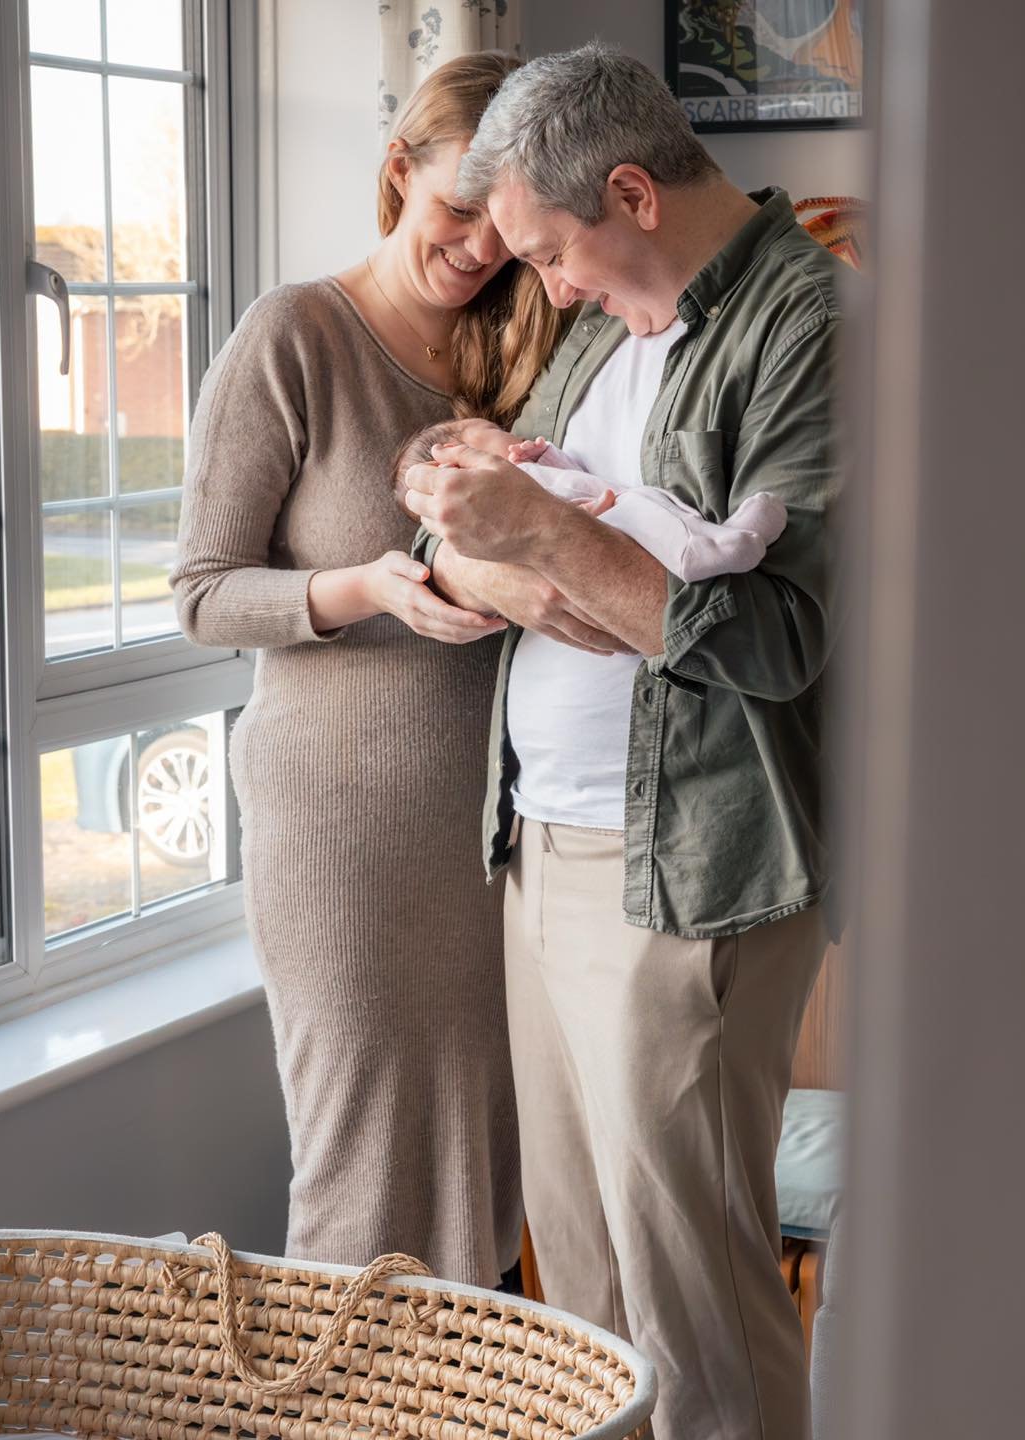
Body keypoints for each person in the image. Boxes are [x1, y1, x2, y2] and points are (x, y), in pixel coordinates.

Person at [404, 43, 851, 1439]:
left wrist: (539, 539)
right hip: (540, 841)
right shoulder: (604, 323)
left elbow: (779, 637)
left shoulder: (810, 323)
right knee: (580, 1291)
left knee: (696, 1312)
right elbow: (481, 507)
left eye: (549, 253)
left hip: (690, 869)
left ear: (634, 194)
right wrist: (470, 519)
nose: (543, 290)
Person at [170, 53, 577, 1289]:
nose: (477, 248)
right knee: (362, 1171)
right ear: (398, 171)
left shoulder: (511, 347)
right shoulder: (294, 335)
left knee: (482, 1165)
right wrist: (366, 590)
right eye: (458, 209)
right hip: (341, 831)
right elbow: (201, 592)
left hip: (488, 829)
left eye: (504, 227)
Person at [393, 416, 788, 580]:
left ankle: (720, 535)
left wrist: (545, 456)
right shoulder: (503, 497)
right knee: (646, 514)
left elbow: (570, 477)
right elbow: (547, 518)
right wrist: (587, 516)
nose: (505, 430)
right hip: (609, 521)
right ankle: (698, 556)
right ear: (457, 462)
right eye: (487, 430)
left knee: (660, 505)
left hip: (621, 501)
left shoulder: (526, 471)